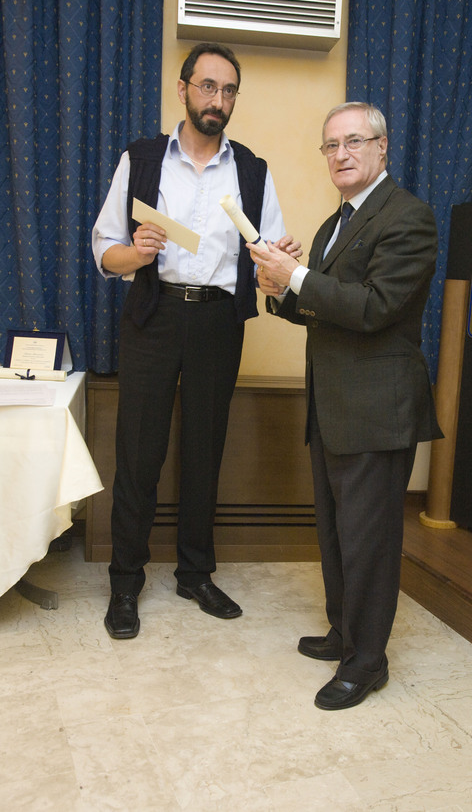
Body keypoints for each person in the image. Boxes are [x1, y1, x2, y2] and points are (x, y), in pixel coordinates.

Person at [93, 42, 300, 639]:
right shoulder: (142, 158)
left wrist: (281, 264)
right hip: (154, 315)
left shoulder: (253, 170)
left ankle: (195, 574)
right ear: (183, 89)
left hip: (217, 322)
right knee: (139, 451)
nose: (218, 99)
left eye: (229, 90)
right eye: (208, 86)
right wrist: (138, 252)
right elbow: (105, 250)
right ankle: (125, 582)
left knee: (206, 450)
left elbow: (270, 258)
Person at [248, 101, 442, 710]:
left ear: (383, 147)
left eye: (354, 141)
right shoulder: (337, 222)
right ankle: (345, 632)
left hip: (377, 409)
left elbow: (373, 307)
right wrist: (279, 288)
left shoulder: (408, 216)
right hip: (333, 407)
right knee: (336, 534)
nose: (341, 154)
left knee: (369, 543)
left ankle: (367, 661)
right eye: (331, 145)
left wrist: (297, 276)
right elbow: (324, 309)